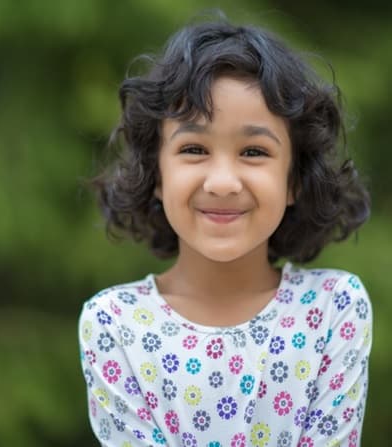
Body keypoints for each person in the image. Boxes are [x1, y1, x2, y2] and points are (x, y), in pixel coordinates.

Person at [78, 15, 372, 447]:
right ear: (155, 173)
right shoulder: (115, 324)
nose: (222, 182)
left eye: (253, 151)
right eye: (194, 149)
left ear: (294, 180)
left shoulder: (333, 311)